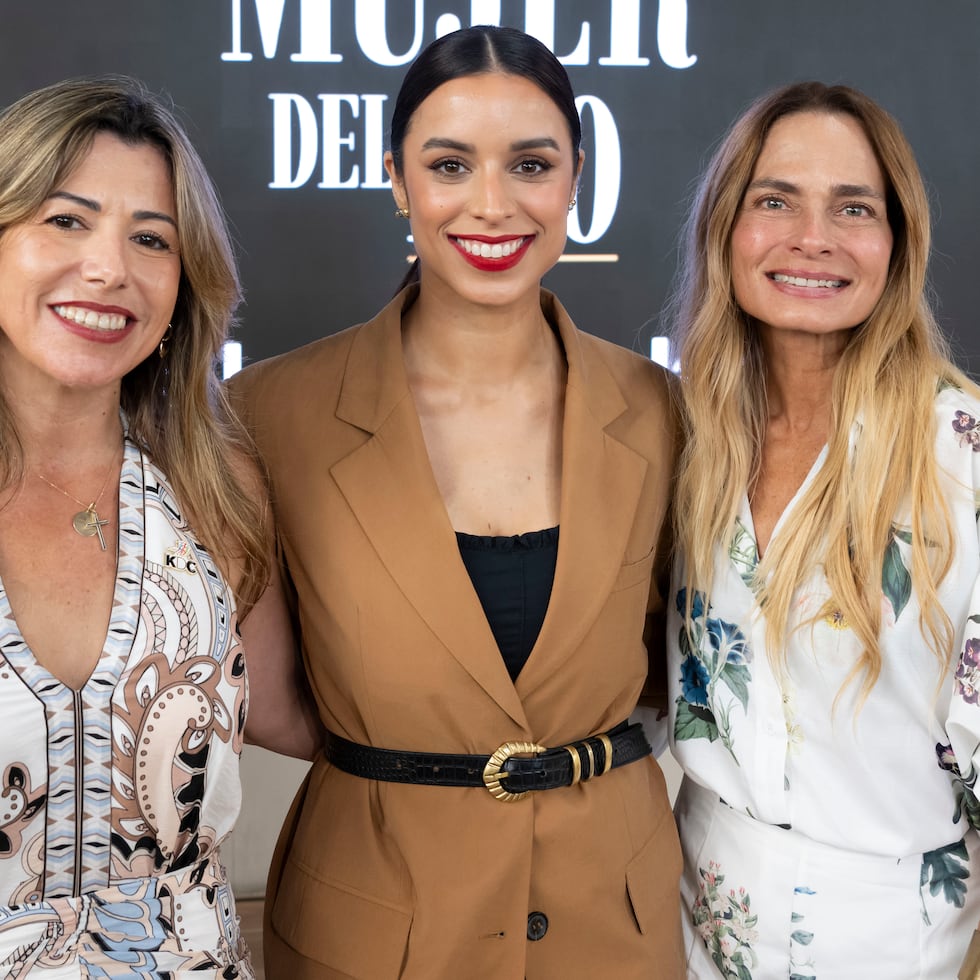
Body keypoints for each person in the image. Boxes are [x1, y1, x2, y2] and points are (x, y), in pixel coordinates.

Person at [230, 25, 684, 979]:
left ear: (575, 178)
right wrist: (401, 759)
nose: (492, 204)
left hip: (615, 921)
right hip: (371, 921)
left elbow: (674, 660)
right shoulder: (267, 412)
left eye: (530, 163)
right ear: (397, 178)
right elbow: (257, 694)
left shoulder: (661, 410)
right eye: (449, 164)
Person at [0, 76, 317, 977]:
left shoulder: (218, 487)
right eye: (65, 220)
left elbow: (301, 716)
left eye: (151, 239)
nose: (109, 268)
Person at [667, 80, 980, 978]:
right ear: (727, 227)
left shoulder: (960, 458)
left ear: (897, 242)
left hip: (894, 946)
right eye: (776, 201)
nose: (815, 237)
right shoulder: (685, 438)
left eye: (854, 207)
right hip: (693, 927)